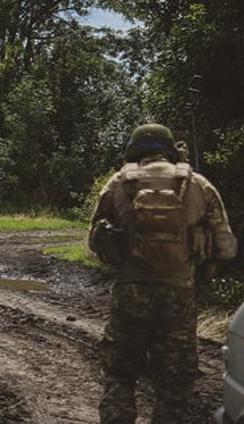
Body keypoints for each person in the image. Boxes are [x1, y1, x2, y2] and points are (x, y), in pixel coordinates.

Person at [88, 123, 237, 423]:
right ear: (169, 150)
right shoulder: (198, 185)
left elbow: (94, 242)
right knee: (174, 386)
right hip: (179, 295)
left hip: (130, 293)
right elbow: (227, 247)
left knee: (120, 375)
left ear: (134, 150)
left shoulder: (118, 183)